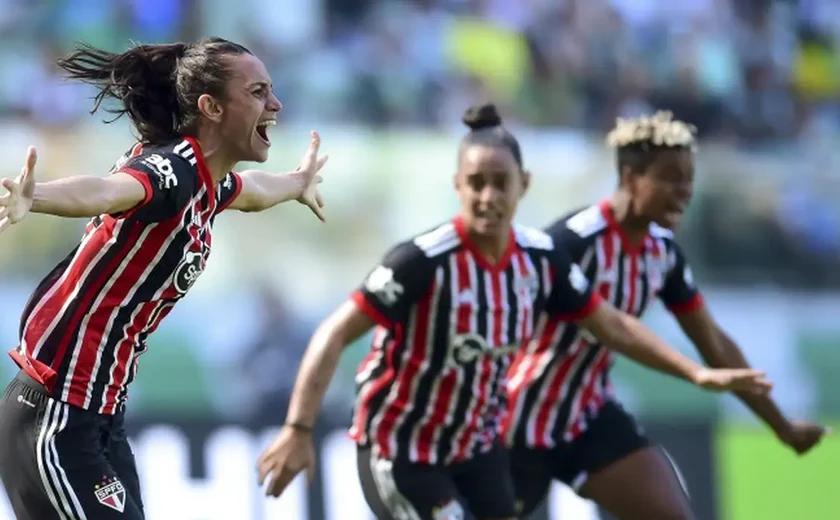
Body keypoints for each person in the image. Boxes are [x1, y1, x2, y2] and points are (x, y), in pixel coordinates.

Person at [255, 104, 769, 520]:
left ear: (523, 184)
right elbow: (334, 332)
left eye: (500, 183)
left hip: (477, 449)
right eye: (476, 183)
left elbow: (613, 326)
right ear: (458, 186)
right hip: (402, 450)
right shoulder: (422, 262)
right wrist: (298, 430)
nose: (487, 196)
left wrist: (694, 371)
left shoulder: (542, 261)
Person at [0, 38, 328, 520]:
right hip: (54, 413)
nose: (275, 105)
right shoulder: (173, 170)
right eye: (259, 92)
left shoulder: (208, 184)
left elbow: (254, 190)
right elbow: (110, 190)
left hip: (98, 419)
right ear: (211, 107)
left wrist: (296, 185)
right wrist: (39, 196)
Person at [503, 111, 829, 520]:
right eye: (671, 178)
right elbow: (520, 317)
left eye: (689, 179)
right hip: (517, 422)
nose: (684, 191)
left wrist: (781, 425)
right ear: (629, 178)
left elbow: (713, 342)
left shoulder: (664, 254)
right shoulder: (571, 242)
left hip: (587, 417)